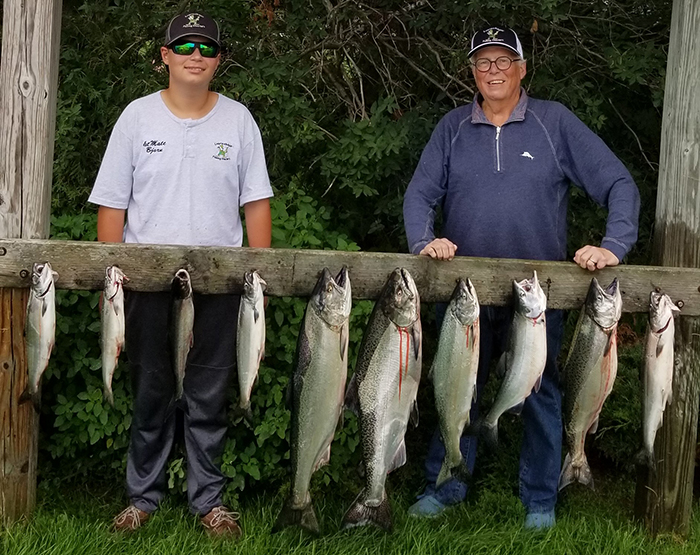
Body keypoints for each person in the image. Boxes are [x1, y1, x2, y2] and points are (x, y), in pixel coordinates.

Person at [403, 25, 640, 529]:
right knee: (457, 387)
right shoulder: (451, 128)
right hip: (464, 287)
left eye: (503, 60)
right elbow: (420, 193)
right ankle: (446, 485)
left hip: (537, 297)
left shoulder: (553, 123)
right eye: (483, 62)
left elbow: (618, 181)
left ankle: (539, 500)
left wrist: (612, 245)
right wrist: (425, 240)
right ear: (472, 71)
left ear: (522, 68)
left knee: (540, 393)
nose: (493, 70)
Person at [88, 12, 273, 538]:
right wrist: (112, 284)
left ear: (219, 61)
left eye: (208, 48)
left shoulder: (239, 121)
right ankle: (141, 499)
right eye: (185, 44)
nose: (197, 54)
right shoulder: (136, 118)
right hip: (145, 286)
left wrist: (255, 279)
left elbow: (255, 205)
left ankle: (209, 502)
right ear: (165, 55)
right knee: (151, 391)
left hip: (219, 288)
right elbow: (111, 207)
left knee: (209, 396)